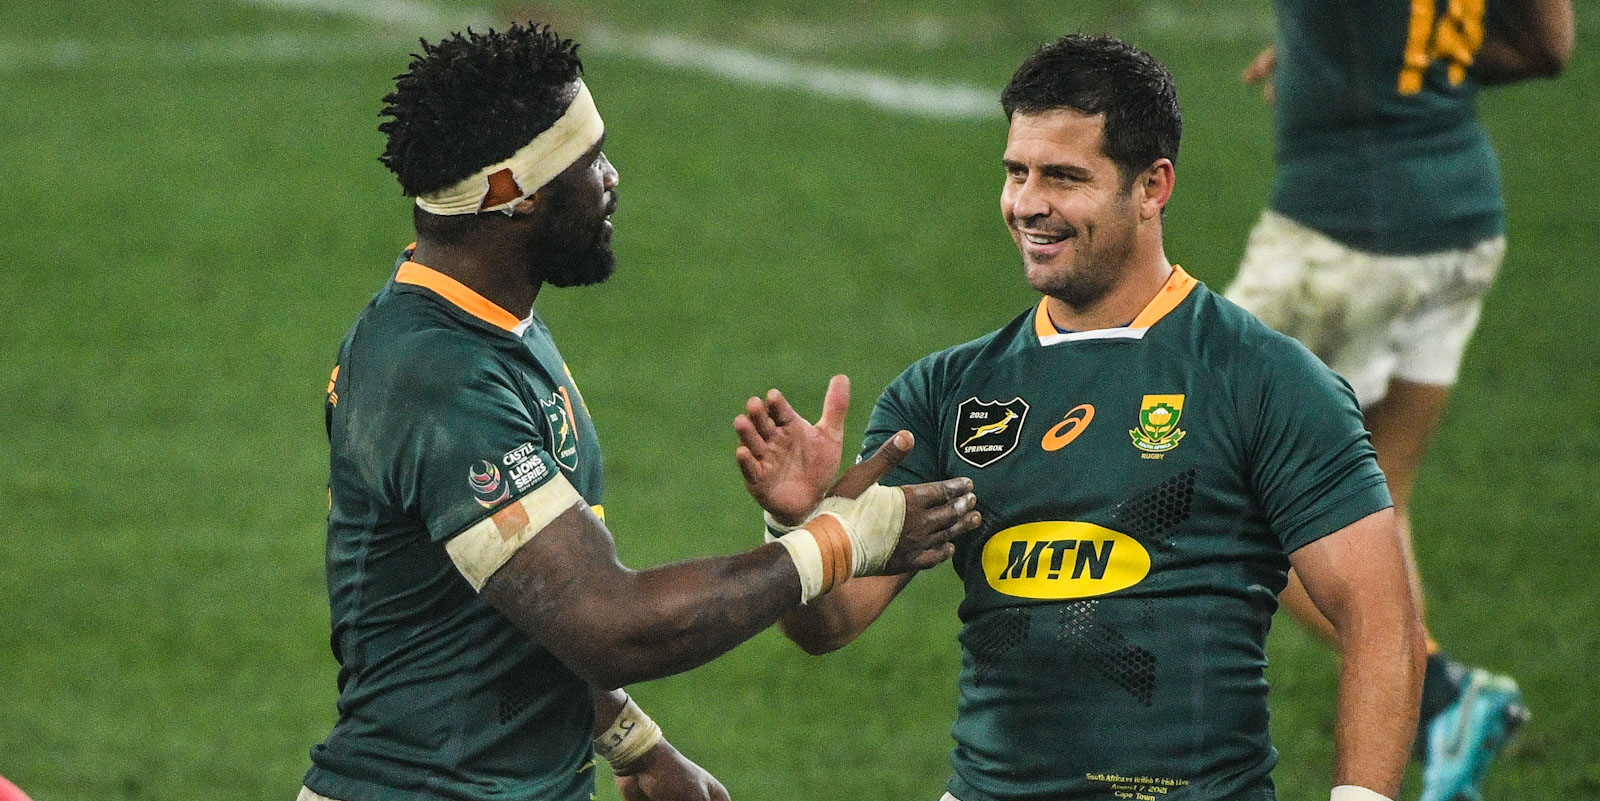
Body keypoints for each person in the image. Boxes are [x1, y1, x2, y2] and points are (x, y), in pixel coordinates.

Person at [733, 33, 1426, 801]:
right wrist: (795, 523)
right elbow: (830, 625)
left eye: (1063, 177)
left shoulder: (1262, 378)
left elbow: (1380, 616)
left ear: (1152, 187)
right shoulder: (943, 393)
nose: (1028, 203)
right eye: (1017, 172)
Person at [302, 23, 982, 801]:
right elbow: (604, 622)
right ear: (517, 195)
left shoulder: (490, 326)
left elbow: (518, 597)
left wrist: (634, 743)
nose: (612, 177)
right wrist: (840, 542)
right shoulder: (438, 374)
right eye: (590, 160)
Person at [1228, 3, 1573, 798]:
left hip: (1345, 234)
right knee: (1377, 490)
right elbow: (1548, 45)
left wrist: (1353, 70)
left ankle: (1442, 696)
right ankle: (1440, 730)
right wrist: (1361, 65)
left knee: (1225, 482)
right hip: (1461, 215)